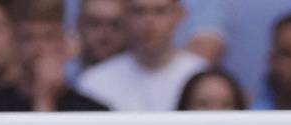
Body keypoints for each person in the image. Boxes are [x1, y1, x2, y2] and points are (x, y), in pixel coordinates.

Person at [0, 0, 108, 113]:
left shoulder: (92, 110)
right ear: (14, 40)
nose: (39, 48)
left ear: (68, 43)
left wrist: (44, 101)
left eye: (48, 37)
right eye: (28, 37)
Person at [74, 0, 209, 112]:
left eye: (159, 11)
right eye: (139, 11)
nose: (149, 21)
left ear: (179, 15)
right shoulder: (94, 83)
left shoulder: (203, 77)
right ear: (125, 16)